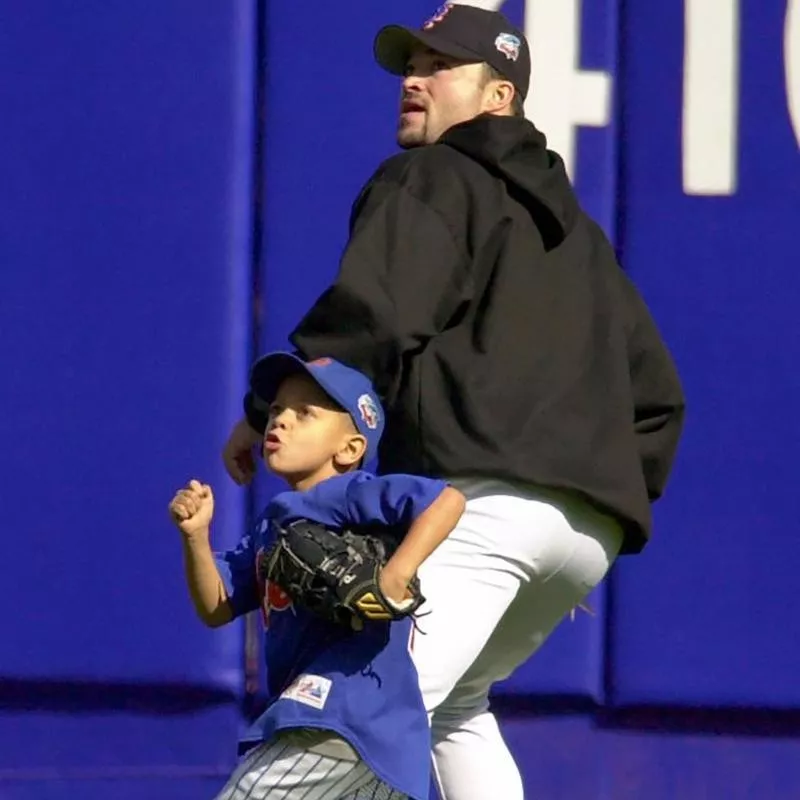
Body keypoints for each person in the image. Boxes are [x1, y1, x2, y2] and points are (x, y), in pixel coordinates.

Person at [222, 5, 686, 799]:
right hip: (579, 538)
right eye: (411, 63)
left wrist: (272, 407)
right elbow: (658, 398)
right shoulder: (578, 239)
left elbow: (375, 312)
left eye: (440, 65)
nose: (413, 77)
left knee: (342, 717)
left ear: (499, 97)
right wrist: (581, 508)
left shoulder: (433, 175)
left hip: (476, 514)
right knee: (453, 712)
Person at [171, 352, 465, 799]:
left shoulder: (350, 492)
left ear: (349, 448)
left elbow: (446, 501)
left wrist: (395, 575)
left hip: (336, 713)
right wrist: (196, 537)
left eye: (305, 413)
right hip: (384, 751)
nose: (281, 421)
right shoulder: (272, 526)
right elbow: (217, 606)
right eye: (275, 411)